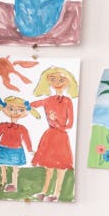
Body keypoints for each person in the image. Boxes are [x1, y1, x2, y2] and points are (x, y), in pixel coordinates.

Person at [31, 66, 79, 202]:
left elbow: (69, 125)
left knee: (61, 168)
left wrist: (55, 121)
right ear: (48, 82)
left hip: (61, 138)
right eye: (53, 79)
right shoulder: (48, 100)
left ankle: (56, 194)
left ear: (68, 82)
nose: (57, 82)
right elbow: (31, 105)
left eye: (61, 79)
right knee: (49, 168)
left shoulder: (68, 101)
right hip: (50, 136)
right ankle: (44, 192)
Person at [0, 96, 41, 193]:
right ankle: (2, 183)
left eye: (20, 110)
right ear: (4, 109)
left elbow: (27, 139)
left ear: (24, 112)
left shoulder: (22, 128)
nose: (15, 112)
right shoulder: (2, 125)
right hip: (3, 149)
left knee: (15, 169)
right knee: (3, 167)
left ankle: (14, 185)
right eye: (11, 109)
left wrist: (30, 150)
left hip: (16, 151)